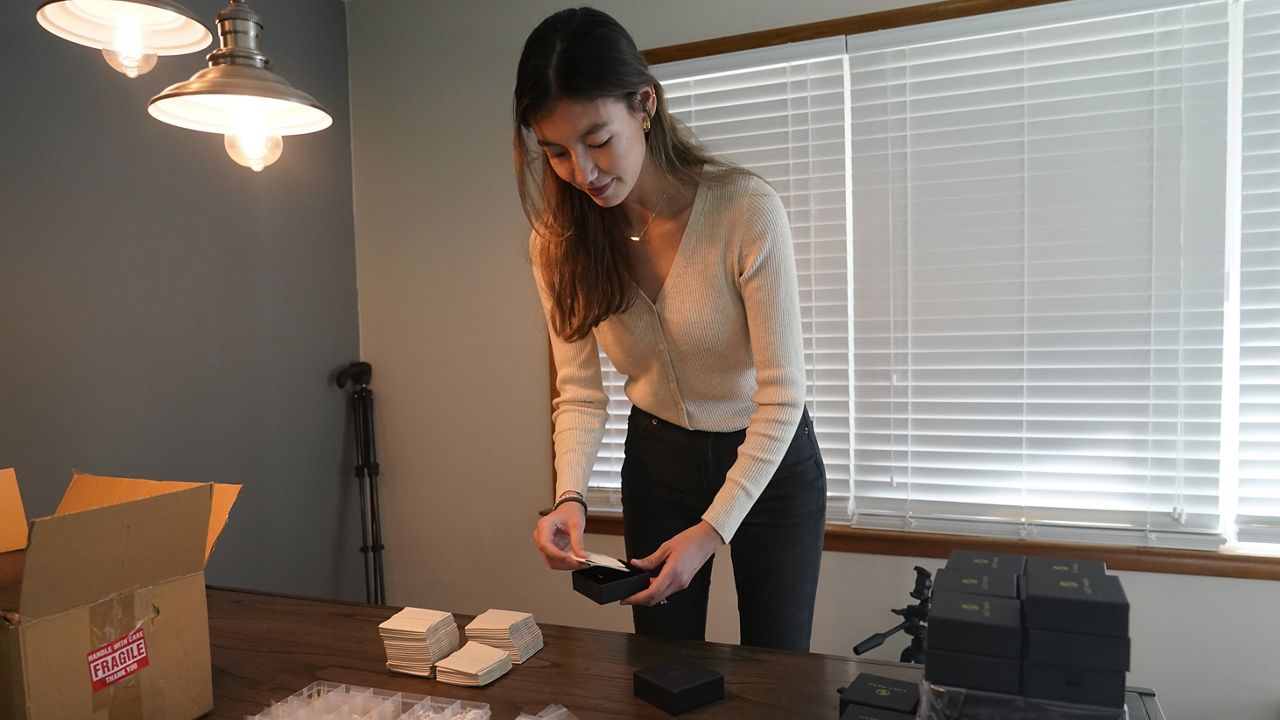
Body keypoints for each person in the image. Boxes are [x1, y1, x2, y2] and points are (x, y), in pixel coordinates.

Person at [514, 7, 826, 652]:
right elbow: (580, 393)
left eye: (598, 139)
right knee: (661, 664)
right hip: (658, 463)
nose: (582, 171)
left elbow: (781, 395)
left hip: (769, 463)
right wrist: (568, 498)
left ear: (644, 104)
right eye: (556, 152)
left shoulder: (743, 209)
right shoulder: (558, 241)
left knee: (776, 670)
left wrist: (712, 530)